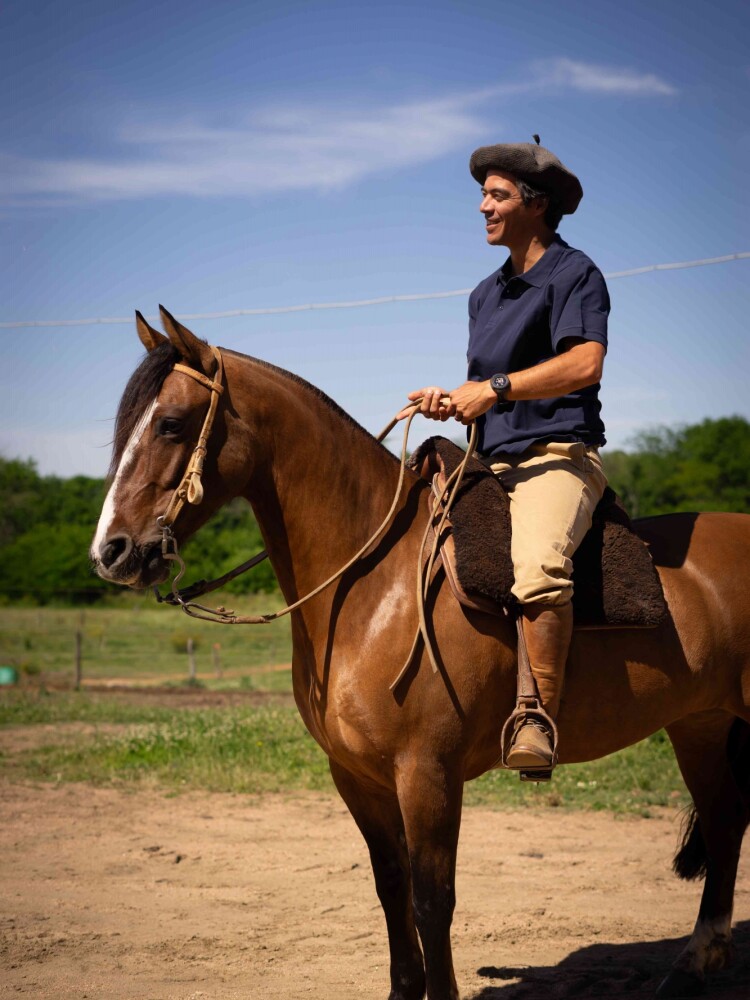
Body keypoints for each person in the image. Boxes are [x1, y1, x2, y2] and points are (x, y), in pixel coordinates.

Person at [399, 138, 609, 774]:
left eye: (496, 195)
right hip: (487, 461)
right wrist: (451, 400)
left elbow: (584, 363)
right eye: (482, 195)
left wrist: (491, 390)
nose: (483, 207)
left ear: (535, 204)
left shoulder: (575, 273)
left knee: (538, 567)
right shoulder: (483, 295)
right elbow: (488, 388)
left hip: (556, 458)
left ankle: (536, 718)